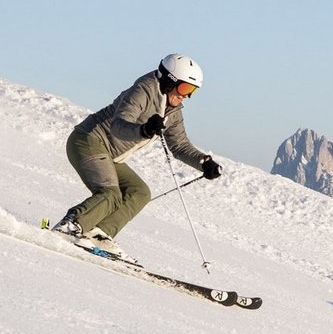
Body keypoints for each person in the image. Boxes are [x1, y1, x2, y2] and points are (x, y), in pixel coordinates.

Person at [53, 53, 222, 257]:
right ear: (170, 80)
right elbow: (118, 126)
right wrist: (144, 129)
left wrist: (203, 162)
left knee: (139, 192)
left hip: (109, 155)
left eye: (192, 91)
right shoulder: (143, 90)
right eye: (185, 88)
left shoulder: (173, 109)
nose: (186, 96)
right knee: (110, 193)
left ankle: (99, 235)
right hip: (88, 140)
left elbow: (179, 145)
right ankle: (71, 225)